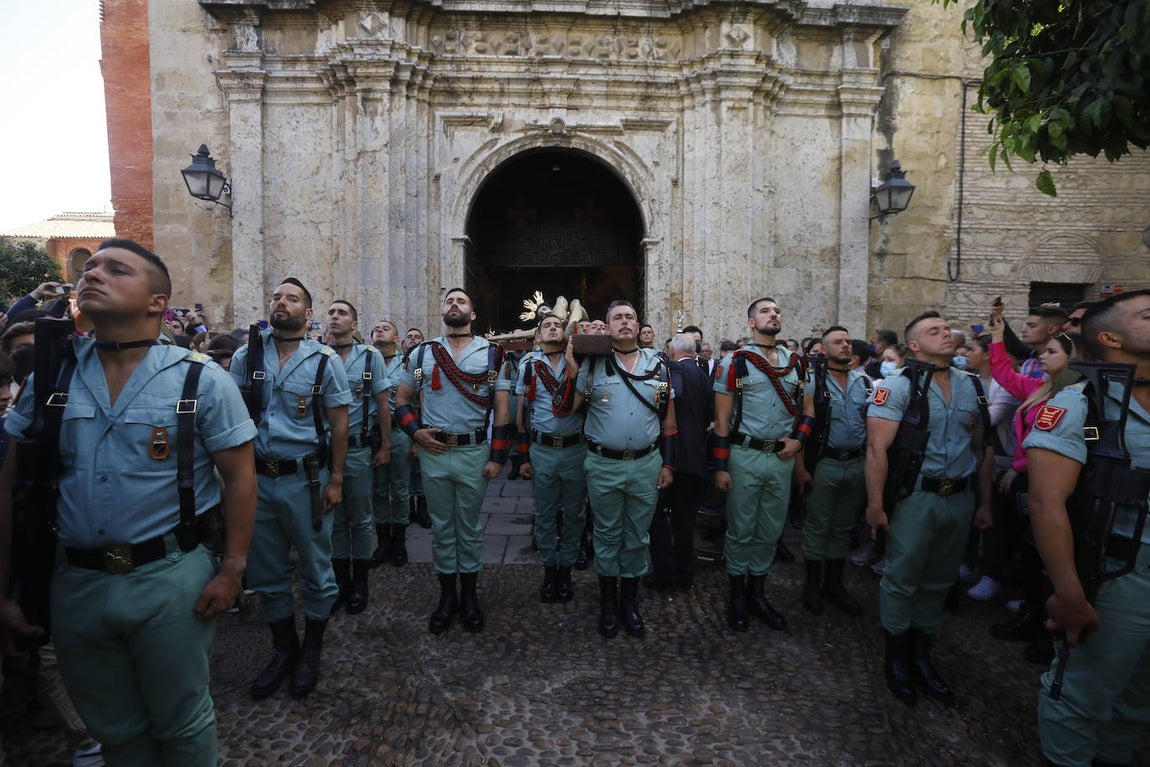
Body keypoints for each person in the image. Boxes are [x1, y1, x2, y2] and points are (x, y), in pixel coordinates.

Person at [0, 238, 258, 765]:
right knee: (114, 729)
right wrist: (7, 588)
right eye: (89, 267)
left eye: (116, 270)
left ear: (157, 302)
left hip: (167, 575)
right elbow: (9, 483)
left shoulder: (200, 378)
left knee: (182, 723)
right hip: (76, 581)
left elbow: (239, 478)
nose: (92, 275)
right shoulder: (53, 377)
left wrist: (232, 570)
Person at [1024, 290, 1150, 767]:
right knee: (1081, 695)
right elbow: (1046, 500)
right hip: (1121, 577)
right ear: (1110, 337)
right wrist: (1069, 591)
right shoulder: (1083, 408)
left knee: (1138, 701)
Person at [230, 278, 350, 700]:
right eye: (277, 297)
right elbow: (235, 419)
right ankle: (284, 649)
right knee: (265, 571)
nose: (282, 302)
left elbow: (338, 425)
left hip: (307, 480)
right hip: (259, 480)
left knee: (317, 568)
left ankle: (312, 649)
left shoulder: (324, 361)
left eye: (293, 298)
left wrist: (336, 479)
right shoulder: (247, 356)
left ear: (308, 312)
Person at [865, 310, 993, 706]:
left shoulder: (972, 385)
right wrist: (875, 505)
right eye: (933, 331)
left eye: (945, 329)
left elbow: (983, 447)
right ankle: (897, 658)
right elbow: (877, 449)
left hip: (959, 497)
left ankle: (922, 654)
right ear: (914, 345)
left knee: (939, 579)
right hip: (916, 497)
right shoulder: (898, 385)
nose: (945, 334)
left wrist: (985, 501)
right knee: (903, 576)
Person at [555, 300, 677, 638]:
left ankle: (629, 603)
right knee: (607, 534)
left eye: (630, 317)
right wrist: (570, 369)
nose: (624, 322)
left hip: (646, 464)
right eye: (617, 318)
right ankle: (609, 603)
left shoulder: (659, 365)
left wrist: (668, 462)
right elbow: (565, 410)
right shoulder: (593, 365)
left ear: (638, 327)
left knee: (637, 536)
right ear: (607, 327)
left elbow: (668, 419)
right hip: (603, 464)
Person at [394, 289, 512, 634]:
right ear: (441, 311)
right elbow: (402, 400)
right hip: (434, 453)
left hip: (473, 453)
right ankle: (447, 598)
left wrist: (498, 456)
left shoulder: (492, 355)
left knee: (470, 528)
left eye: (462, 301)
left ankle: (470, 597)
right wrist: (415, 433)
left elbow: (502, 409)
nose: (455, 304)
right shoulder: (422, 354)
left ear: (473, 314)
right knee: (443, 528)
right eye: (449, 301)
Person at [712, 297, 805, 633]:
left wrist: (799, 441)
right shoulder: (735, 363)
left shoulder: (796, 363)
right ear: (751, 322)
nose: (774, 314)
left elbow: (807, 411)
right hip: (745, 456)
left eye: (777, 310)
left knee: (770, 530)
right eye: (765, 311)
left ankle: (758, 593)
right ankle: (738, 596)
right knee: (740, 528)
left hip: (781, 458)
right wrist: (721, 467)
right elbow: (721, 420)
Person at [793, 326, 869, 616]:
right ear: (823, 350)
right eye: (838, 342)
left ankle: (835, 584)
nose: (846, 346)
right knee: (817, 525)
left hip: (855, 463)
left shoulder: (865, 383)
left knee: (844, 526)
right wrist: (800, 469)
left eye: (848, 342)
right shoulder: (811, 382)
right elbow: (799, 425)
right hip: (824, 463)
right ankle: (812, 585)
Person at [515, 314, 587, 602]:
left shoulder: (580, 363)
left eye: (558, 325)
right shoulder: (528, 365)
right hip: (542, 450)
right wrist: (523, 459)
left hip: (575, 449)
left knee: (574, 513)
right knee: (544, 513)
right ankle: (549, 569)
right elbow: (521, 416)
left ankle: (566, 569)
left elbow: (588, 399)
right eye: (548, 325)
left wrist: (572, 364)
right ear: (539, 335)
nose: (553, 328)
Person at [325, 301, 390, 614]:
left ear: (354, 323)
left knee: (361, 518)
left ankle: (361, 581)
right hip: (323, 451)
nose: (335, 317)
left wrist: (385, 446)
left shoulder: (370, 357)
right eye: (331, 312)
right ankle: (341, 582)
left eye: (342, 313)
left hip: (357, 448)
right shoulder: (317, 355)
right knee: (334, 518)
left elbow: (383, 403)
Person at [648, 333, 711, 592]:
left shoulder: (673, 370)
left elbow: (675, 397)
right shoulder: (704, 376)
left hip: (672, 459)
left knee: (656, 517)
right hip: (696, 458)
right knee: (684, 522)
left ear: (672, 352)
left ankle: (664, 574)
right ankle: (685, 573)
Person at [369, 320, 412, 566]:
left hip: (398, 433)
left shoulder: (406, 364)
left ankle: (399, 541)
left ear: (396, 337)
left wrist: (416, 437)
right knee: (377, 490)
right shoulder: (364, 361)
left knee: (400, 489)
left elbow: (418, 399)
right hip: (372, 434)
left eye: (385, 328)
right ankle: (383, 541)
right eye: (376, 328)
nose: (380, 330)